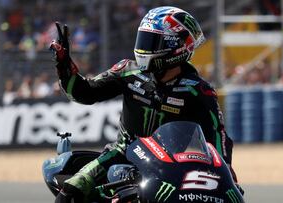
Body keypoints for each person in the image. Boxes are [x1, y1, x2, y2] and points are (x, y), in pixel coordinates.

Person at [50, 6, 237, 203]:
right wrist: (63, 64)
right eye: (144, 39)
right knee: (70, 191)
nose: (143, 48)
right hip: (120, 155)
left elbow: (219, 138)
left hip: (172, 168)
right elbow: (83, 93)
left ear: (178, 47)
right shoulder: (127, 71)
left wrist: (227, 176)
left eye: (152, 42)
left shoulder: (199, 90)